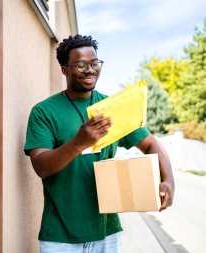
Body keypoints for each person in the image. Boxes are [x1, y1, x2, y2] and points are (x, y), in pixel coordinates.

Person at [24, 34, 175, 253]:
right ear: (64, 70)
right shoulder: (44, 111)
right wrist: (79, 142)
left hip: (107, 231)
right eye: (81, 64)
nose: (90, 69)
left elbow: (151, 144)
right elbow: (41, 167)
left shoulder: (112, 107)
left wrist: (168, 179)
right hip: (60, 236)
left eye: (95, 63)